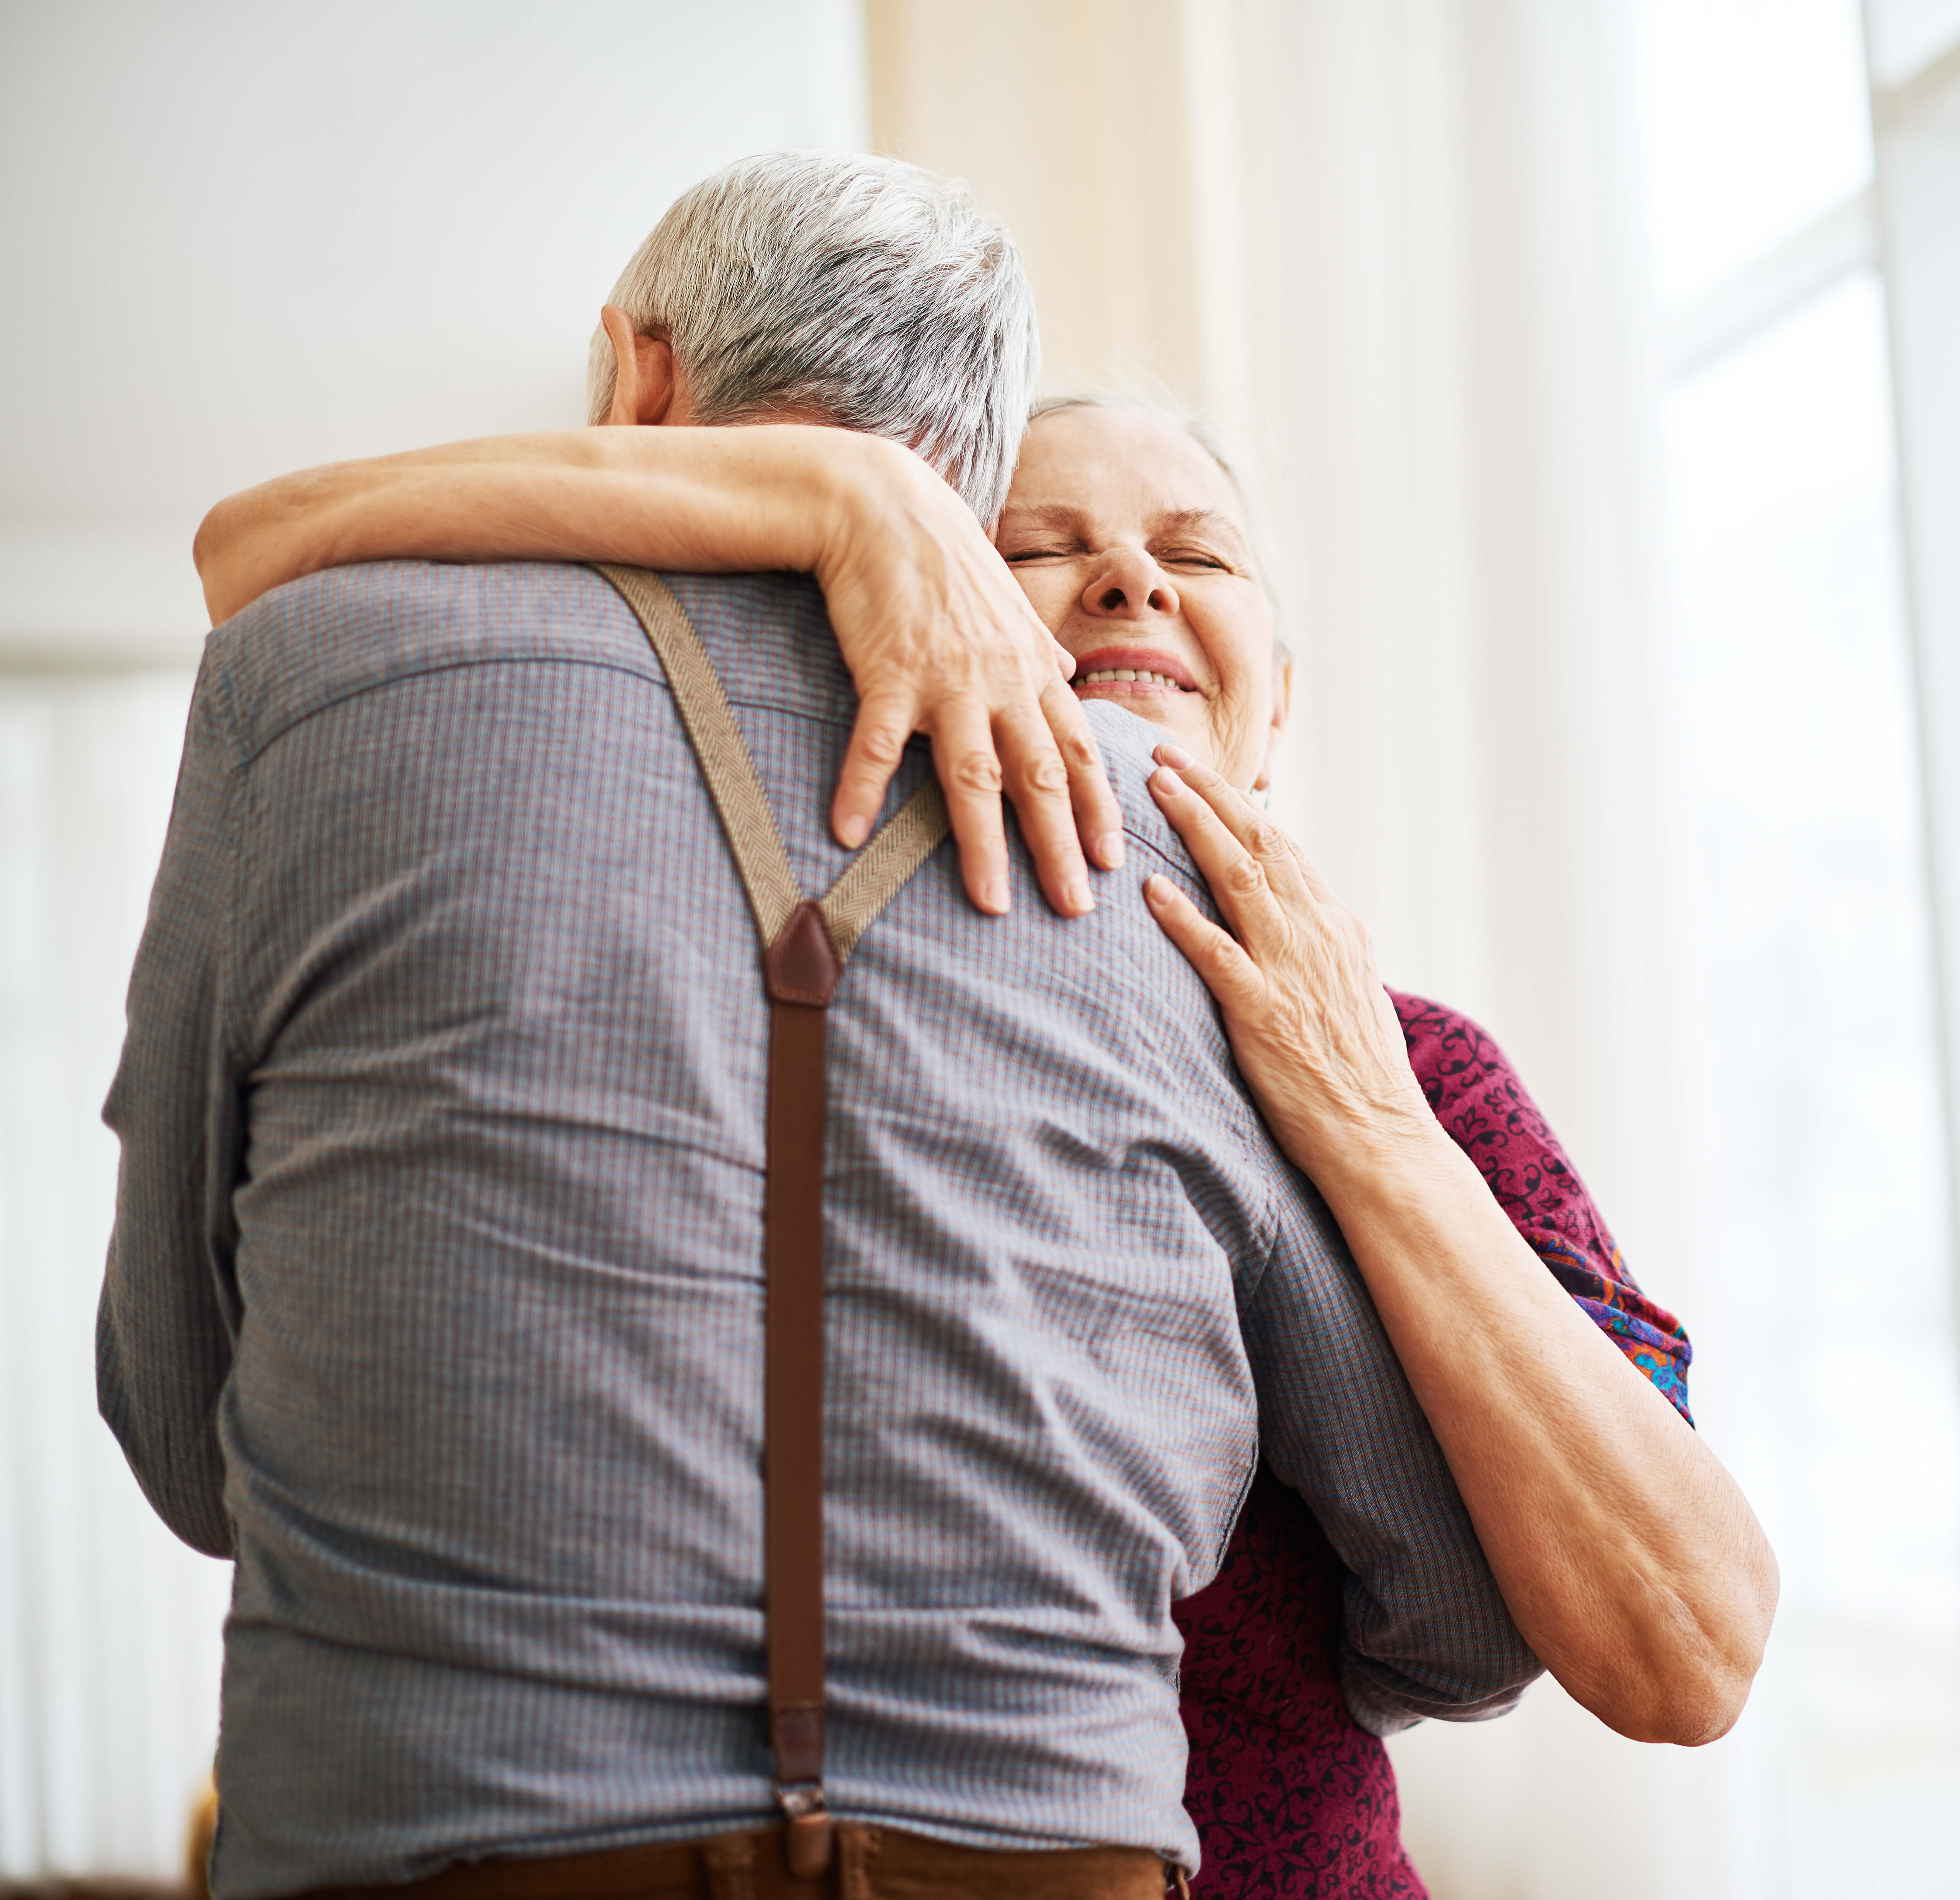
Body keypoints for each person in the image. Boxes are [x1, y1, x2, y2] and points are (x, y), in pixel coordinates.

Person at [99, 152, 1546, 1900]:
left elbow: (184, 1435)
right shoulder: (1180, 845)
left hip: (442, 1845)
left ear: (638, 378)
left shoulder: (306, 680)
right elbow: (1457, 1618)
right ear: (980, 461)